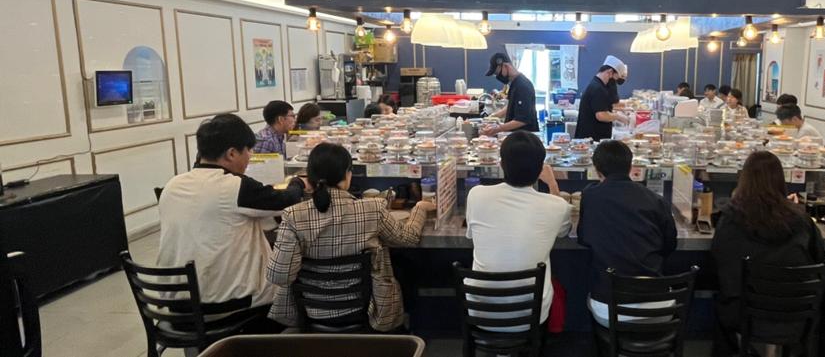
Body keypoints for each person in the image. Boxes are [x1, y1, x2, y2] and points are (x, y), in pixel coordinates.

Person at [266, 143, 434, 331]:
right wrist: (419, 208)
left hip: (311, 312)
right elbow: (408, 238)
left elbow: (278, 275)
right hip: (368, 311)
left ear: (309, 178)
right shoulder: (372, 209)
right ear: (347, 175)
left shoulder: (293, 215)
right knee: (405, 267)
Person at [158, 114, 305, 324]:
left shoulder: (172, 185)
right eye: (249, 151)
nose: (250, 156)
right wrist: (298, 183)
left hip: (176, 305)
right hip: (224, 304)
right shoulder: (235, 186)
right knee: (292, 277)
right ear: (232, 153)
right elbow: (286, 201)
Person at [712, 152, 825, 338]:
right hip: (797, 312)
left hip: (746, 314)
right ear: (780, 179)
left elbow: (719, 260)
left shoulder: (731, 218)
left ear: (744, 179)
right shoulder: (801, 219)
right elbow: (818, 258)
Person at [465, 132, 571, 328]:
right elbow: (563, 231)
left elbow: (470, 235)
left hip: (480, 311)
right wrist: (552, 183)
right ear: (540, 169)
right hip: (531, 315)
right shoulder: (557, 206)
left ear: (501, 164)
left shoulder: (476, 195)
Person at [577, 141, 677, 327]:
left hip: (608, 305)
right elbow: (670, 245)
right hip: (657, 302)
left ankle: (604, 342)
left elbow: (583, 239)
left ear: (597, 170)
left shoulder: (590, 197)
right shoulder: (656, 200)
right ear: (630, 167)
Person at [481, 52, 539, 135]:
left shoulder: (523, 86)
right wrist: (493, 117)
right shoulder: (515, 83)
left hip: (525, 138)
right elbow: (511, 106)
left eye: (498, 73)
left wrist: (498, 128)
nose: (498, 77)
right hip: (517, 135)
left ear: (505, 66)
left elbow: (522, 120)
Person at [575, 56, 630, 140]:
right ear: (610, 72)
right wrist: (618, 116)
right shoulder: (598, 88)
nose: (614, 83)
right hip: (592, 138)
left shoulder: (598, 85)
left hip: (594, 136)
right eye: (615, 78)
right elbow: (601, 115)